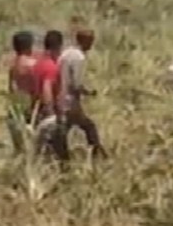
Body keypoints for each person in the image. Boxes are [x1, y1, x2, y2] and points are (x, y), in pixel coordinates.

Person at [57, 28, 107, 160]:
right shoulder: (79, 57)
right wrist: (88, 92)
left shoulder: (65, 53)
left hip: (60, 95)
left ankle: (63, 156)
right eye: (90, 41)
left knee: (65, 129)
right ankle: (96, 153)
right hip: (71, 100)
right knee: (88, 127)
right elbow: (76, 84)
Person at [31, 29, 65, 160]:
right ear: (58, 47)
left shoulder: (37, 64)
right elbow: (46, 88)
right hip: (48, 115)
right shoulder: (51, 66)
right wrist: (51, 112)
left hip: (37, 112)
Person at [6, 30, 38, 154]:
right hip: (30, 106)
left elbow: (11, 88)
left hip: (16, 106)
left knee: (19, 147)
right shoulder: (32, 65)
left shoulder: (13, 66)